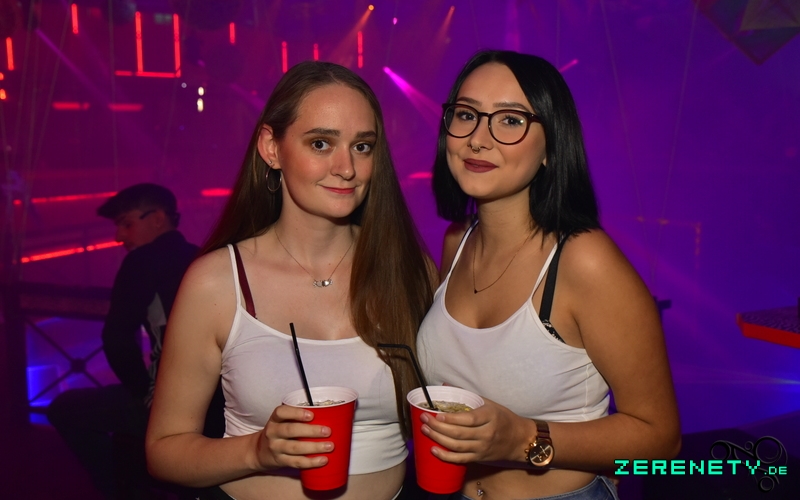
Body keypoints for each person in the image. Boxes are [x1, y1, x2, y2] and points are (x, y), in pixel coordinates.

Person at [145, 61, 435, 500]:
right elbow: (164, 451)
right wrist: (257, 451)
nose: (347, 168)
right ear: (271, 148)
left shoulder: (409, 270)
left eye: (362, 146)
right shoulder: (217, 282)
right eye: (321, 143)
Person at [416, 50, 681, 500]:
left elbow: (661, 440)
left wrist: (521, 439)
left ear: (549, 148)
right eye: (466, 114)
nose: (478, 138)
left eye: (510, 120)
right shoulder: (457, 241)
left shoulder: (584, 260)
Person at [47, 183, 201, 498]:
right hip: (217, 403)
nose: (119, 236)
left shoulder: (142, 261)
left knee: (64, 409)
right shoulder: (204, 255)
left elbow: (116, 338)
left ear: (158, 219)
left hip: (169, 403)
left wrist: (143, 391)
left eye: (126, 224)